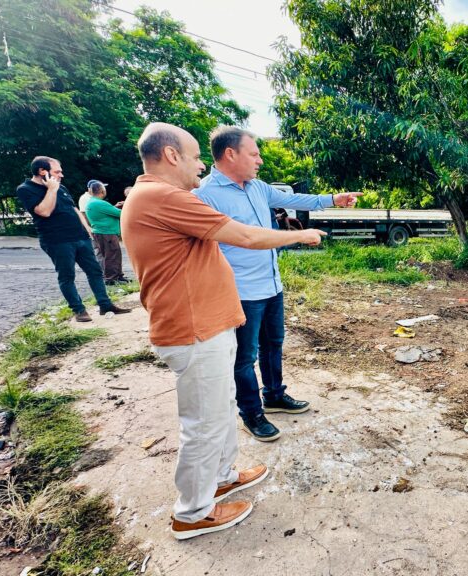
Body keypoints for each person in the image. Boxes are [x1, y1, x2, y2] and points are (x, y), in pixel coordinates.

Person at [121, 122, 327, 540]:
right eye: (196, 156)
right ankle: (192, 513)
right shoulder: (164, 197)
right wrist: (300, 235)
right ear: (172, 155)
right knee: (205, 423)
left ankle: (223, 476)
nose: (200, 165)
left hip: (206, 325)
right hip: (193, 330)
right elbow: (245, 235)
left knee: (218, 410)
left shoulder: (155, 197)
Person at [196, 126, 360, 442]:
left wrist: (333, 199)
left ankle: (273, 394)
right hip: (239, 291)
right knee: (245, 357)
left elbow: (294, 197)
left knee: (274, 344)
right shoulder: (204, 196)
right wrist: (298, 235)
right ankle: (251, 413)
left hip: (271, 284)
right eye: (254, 153)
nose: (259, 160)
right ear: (230, 154)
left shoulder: (258, 187)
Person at [15, 157, 130, 322]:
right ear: (42, 171)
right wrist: (51, 190)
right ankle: (79, 310)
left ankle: (105, 305)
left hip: (80, 237)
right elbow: (44, 211)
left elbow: (74, 209)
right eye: (57, 171)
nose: (61, 175)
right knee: (67, 276)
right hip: (56, 240)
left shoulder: (61, 187)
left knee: (95, 271)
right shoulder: (26, 189)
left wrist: (88, 230)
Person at [84, 180, 127, 285]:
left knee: (110, 255)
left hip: (101, 232)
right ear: (102, 191)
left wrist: (114, 207)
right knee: (112, 255)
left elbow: (107, 211)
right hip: (107, 233)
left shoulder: (92, 202)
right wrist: (127, 205)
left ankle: (117, 276)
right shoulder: (100, 203)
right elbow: (121, 214)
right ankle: (112, 279)